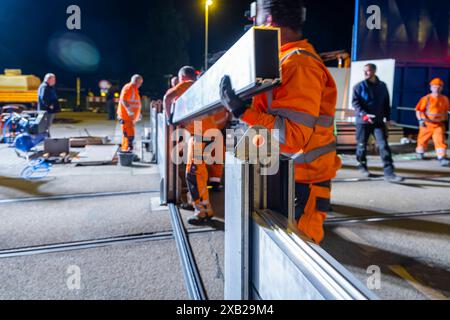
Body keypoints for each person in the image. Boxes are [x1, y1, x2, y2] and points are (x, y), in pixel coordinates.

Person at [220, 0, 341, 244]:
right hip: (282, 178)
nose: (252, 27)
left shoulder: (298, 63)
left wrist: (242, 111)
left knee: (294, 272)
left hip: (300, 186)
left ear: (269, 21)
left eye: (255, 20)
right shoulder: (279, 61)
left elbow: (292, 138)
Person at [165, 66, 228, 225]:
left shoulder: (187, 84)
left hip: (199, 136)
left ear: (182, 78)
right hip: (214, 134)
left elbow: (168, 97)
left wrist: (169, 119)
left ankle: (203, 212)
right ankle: (205, 199)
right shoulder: (204, 86)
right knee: (205, 174)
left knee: (194, 175)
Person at [352, 63, 403, 182]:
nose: (365, 73)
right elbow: (355, 103)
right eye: (364, 71)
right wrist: (364, 115)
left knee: (383, 145)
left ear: (374, 71)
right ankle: (362, 166)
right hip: (363, 122)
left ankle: (389, 172)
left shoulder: (382, 86)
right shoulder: (358, 87)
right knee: (361, 146)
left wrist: (388, 118)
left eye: (368, 71)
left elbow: (386, 103)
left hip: (378, 121)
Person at [415, 78, 449, 166]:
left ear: (441, 88)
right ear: (431, 87)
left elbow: (447, 111)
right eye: (434, 87)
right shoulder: (426, 98)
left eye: (439, 87)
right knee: (422, 140)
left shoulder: (445, 99)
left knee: (440, 141)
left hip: (439, 125)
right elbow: (419, 110)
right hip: (426, 124)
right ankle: (420, 153)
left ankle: (442, 157)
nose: (436, 89)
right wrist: (420, 120)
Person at [117, 75, 143, 153]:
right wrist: (129, 111)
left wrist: (138, 114)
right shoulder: (129, 88)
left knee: (127, 136)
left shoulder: (134, 89)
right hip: (126, 117)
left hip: (129, 118)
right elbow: (123, 99)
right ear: (136, 81)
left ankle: (126, 151)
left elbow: (135, 103)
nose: (140, 85)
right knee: (129, 136)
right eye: (140, 83)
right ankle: (127, 152)